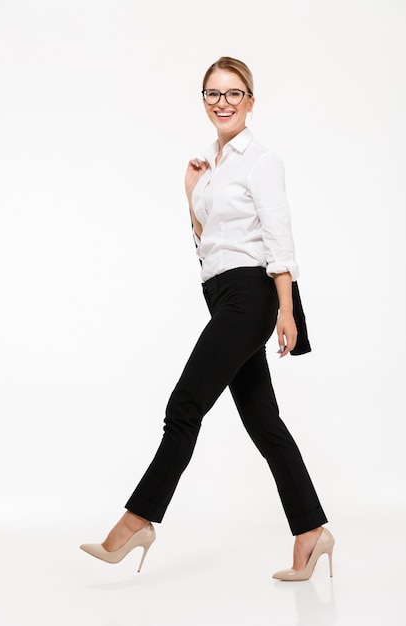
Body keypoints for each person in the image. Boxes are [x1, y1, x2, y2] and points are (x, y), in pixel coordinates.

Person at [80, 56, 334, 581]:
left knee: (185, 405)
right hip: (220, 295)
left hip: (250, 294)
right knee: (264, 422)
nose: (223, 103)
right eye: (213, 94)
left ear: (250, 101)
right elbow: (208, 242)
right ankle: (311, 531)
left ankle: (138, 520)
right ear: (204, 101)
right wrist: (190, 194)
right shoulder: (208, 164)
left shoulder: (262, 161)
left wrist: (285, 308)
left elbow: (277, 239)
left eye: (233, 93)